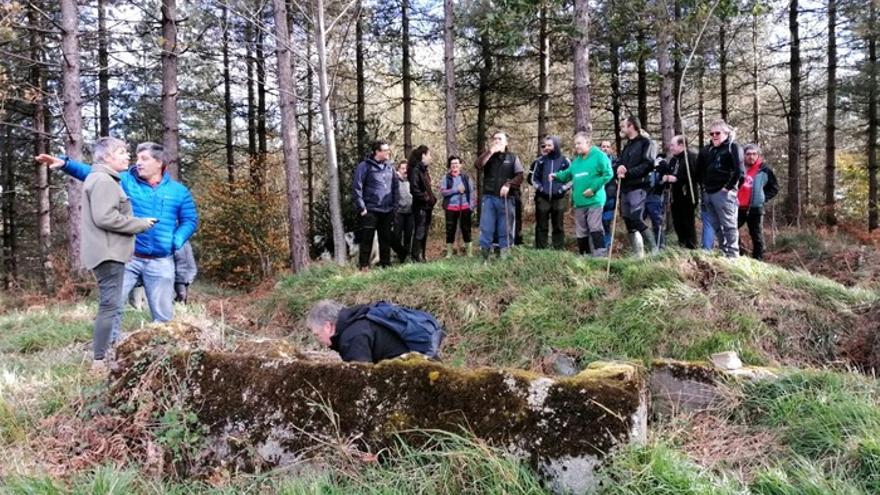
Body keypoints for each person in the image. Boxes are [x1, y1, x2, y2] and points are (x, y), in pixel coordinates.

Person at [37, 142, 199, 342]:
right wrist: (65, 164)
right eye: (137, 158)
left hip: (161, 260)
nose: (137, 163)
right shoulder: (123, 180)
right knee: (113, 306)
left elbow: (190, 220)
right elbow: (92, 172)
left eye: (144, 159)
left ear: (159, 162)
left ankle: (163, 350)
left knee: (163, 313)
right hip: (127, 257)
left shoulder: (178, 191)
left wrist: (177, 239)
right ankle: (110, 350)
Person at [70, 137, 157, 373]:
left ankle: (103, 357)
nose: (127, 156)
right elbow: (105, 217)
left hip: (107, 252)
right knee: (110, 306)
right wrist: (138, 223)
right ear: (107, 157)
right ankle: (101, 360)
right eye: (121, 152)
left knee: (110, 305)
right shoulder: (104, 181)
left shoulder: (100, 178)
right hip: (108, 254)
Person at [307, 299, 443, 363]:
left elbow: (362, 380)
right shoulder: (359, 318)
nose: (320, 341)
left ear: (328, 326)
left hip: (418, 372)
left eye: (318, 335)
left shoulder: (351, 338)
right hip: (426, 361)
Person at [550, 132, 613, 256]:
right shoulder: (577, 160)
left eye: (579, 143)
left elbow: (608, 174)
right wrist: (556, 176)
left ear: (588, 143)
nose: (576, 146)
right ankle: (585, 255)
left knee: (595, 227)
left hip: (594, 200)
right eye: (575, 144)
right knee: (581, 230)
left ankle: (600, 255)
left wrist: (593, 189)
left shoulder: (599, 156)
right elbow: (568, 174)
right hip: (579, 202)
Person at [696, 119, 744, 258]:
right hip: (709, 192)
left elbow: (739, 172)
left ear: (726, 133)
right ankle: (723, 251)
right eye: (711, 133)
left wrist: (728, 188)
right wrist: (703, 186)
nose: (714, 136)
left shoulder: (733, 147)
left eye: (718, 133)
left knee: (729, 225)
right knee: (716, 225)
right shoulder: (708, 150)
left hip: (724, 193)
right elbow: (700, 171)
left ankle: (733, 255)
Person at [474, 131, 524, 260]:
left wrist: (509, 184)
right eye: (495, 139)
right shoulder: (488, 156)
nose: (497, 141)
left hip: (506, 199)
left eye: (500, 139)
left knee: (505, 228)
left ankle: (504, 257)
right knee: (487, 227)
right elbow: (478, 165)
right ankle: (484, 257)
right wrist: (490, 151)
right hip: (489, 197)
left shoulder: (513, 157)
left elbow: (519, 176)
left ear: (506, 142)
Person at [615, 116, 657, 258]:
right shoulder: (627, 145)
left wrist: (628, 172)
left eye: (624, 125)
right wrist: (619, 168)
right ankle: (639, 255)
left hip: (639, 186)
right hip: (625, 187)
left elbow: (648, 164)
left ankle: (654, 250)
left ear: (631, 126)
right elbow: (620, 162)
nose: (622, 128)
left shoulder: (646, 143)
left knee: (636, 218)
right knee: (628, 220)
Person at [353, 140, 399, 269]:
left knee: (386, 239)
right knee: (367, 239)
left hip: (387, 210)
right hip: (370, 210)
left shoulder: (390, 167)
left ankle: (385, 265)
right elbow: (357, 187)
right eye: (385, 150)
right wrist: (362, 207)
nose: (388, 152)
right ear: (377, 152)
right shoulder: (364, 166)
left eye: (388, 150)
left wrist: (395, 207)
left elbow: (395, 187)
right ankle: (364, 266)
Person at [528, 136, 571, 250]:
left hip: (559, 198)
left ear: (556, 146)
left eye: (549, 145)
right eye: (545, 145)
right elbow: (533, 179)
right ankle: (541, 250)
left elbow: (572, 178)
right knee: (541, 225)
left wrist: (563, 189)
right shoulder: (540, 161)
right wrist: (541, 189)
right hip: (543, 198)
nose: (546, 148)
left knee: (558, 225)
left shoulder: (564, 161)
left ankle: (558, 249)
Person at [737, 144, 779, 260]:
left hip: (755, 208)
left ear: (758, 155)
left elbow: (774, 188)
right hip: (738, 207)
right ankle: (739, 255)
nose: (751, 157)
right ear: (744, 155)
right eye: (748, 154)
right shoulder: (738, 168)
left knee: (757, 236)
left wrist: (763, 198)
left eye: (754, 154)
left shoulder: (764, 169)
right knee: (732, 230)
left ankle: (758, 260)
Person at [665, 135, 699, 249]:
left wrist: (678, 179)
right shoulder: (674, 160)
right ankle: (682, 244)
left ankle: (691, 247)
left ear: (681, 145)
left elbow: (695, 176)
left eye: (673, 145)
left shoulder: (692, 157)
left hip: (688, 196)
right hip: (675, 197)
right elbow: (671, 172)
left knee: (687, 223)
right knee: (677, 223)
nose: (671, 148)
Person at [439, 156, 476, 257]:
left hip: (464, 207)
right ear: (450, 166)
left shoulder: (466, 177)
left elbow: (472, 192)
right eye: (452, 164)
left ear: (460, 165)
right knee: (450, 230)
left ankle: (469, 252)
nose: (454, 165)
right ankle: (449, 253)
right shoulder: (446, 178)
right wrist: (456, 190)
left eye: (456, 163)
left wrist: (471, 206)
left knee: (466, 229)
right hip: (451, 207)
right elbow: (443, 192)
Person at [408, 145, 436, 262]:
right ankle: (416, 257)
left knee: (424, 232)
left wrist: (432, 199)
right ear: (423, 155)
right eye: (429, 154)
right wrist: (425, 198)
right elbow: (414, 189)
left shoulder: (424, 171)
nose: (430, 157)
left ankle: (423, 256)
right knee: (419, 232)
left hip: (427, 207)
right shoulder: (416, 170)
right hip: (420, 207)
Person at [393, 160, 414, 262]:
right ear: (398, 169)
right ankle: (399, 255)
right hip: (399, 212)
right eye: (403, 168)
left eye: (406, 168)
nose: (405, 170)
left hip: (410, 212)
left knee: (408, 235)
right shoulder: (395, 181)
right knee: (396, 236)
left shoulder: (411, 180)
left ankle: (407, 256)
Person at [600, 141, 618, 248]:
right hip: (597, 195)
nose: (605, 148)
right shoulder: (595, 161)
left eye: (607, 147)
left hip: (610, 196)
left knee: (606, 222)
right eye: (603, 147)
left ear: (611, 149)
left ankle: (607, 244)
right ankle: (598, 244)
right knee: (597, 222)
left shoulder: (615, 162)